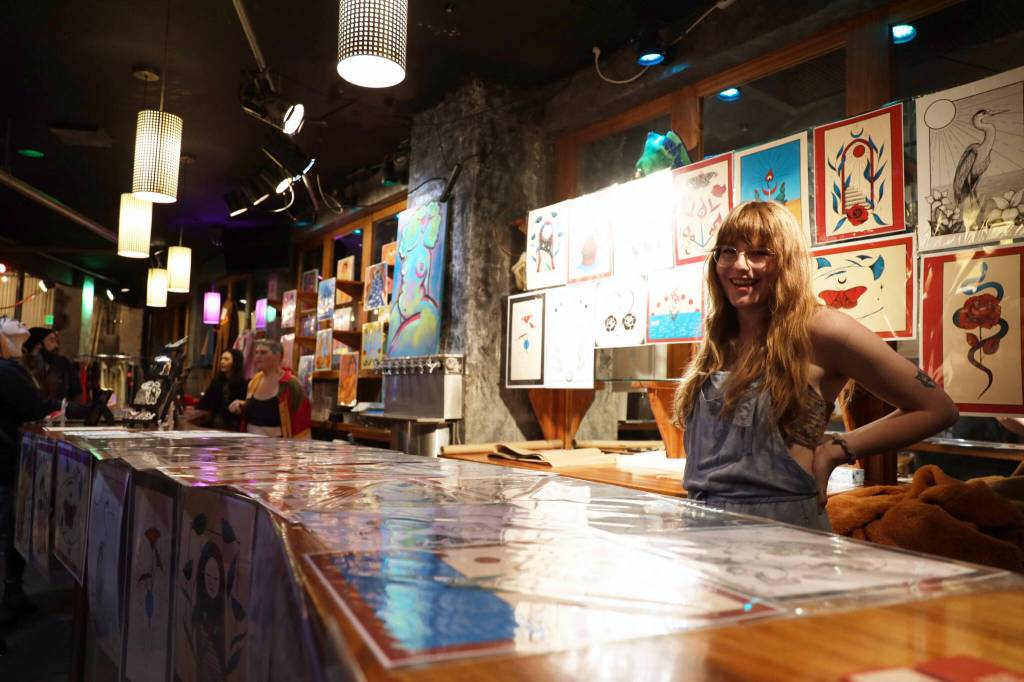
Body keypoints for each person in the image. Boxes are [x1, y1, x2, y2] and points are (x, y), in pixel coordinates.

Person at [672, 202, 959, 531]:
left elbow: (937, 408)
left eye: (758, 253)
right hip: (702, 531)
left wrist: (837, 450)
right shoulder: (717, 337)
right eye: (728, 251)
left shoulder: (820, 328)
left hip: (781, 539)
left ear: (787, 261)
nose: (740, 266)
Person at [0, 316, 61, 623]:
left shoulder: (20, 365)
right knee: (9, 527)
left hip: (9, 459)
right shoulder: (7, 370)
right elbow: (35, 406)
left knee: (12, 528)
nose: (15, 320)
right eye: (7, 319)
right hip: (5, 462)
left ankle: (13, 590)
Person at [228, 339, 311, 438]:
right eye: (256, 352)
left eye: (263, 353)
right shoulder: (254, 382)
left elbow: (302, 424)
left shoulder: (291, 385)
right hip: (250, 446)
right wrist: (242, 406)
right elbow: (260, 410)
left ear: (278, 356)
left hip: (276, 448)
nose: (257, 356)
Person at [186, 349, 247, 431]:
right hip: (215, 419)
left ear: (235, 362)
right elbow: (207, 398)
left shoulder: (242, 383)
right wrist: (195, 408)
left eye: (226, 359)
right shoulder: (218, 380)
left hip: (231, 423)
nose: (222, 362)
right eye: (221, 359)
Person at [22, 327, 81, 404]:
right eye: (52, 341)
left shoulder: (63, 364)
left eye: (56, 342)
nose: (56, 346)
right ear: (38, 345)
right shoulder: (24, 368)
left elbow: (76, 392)